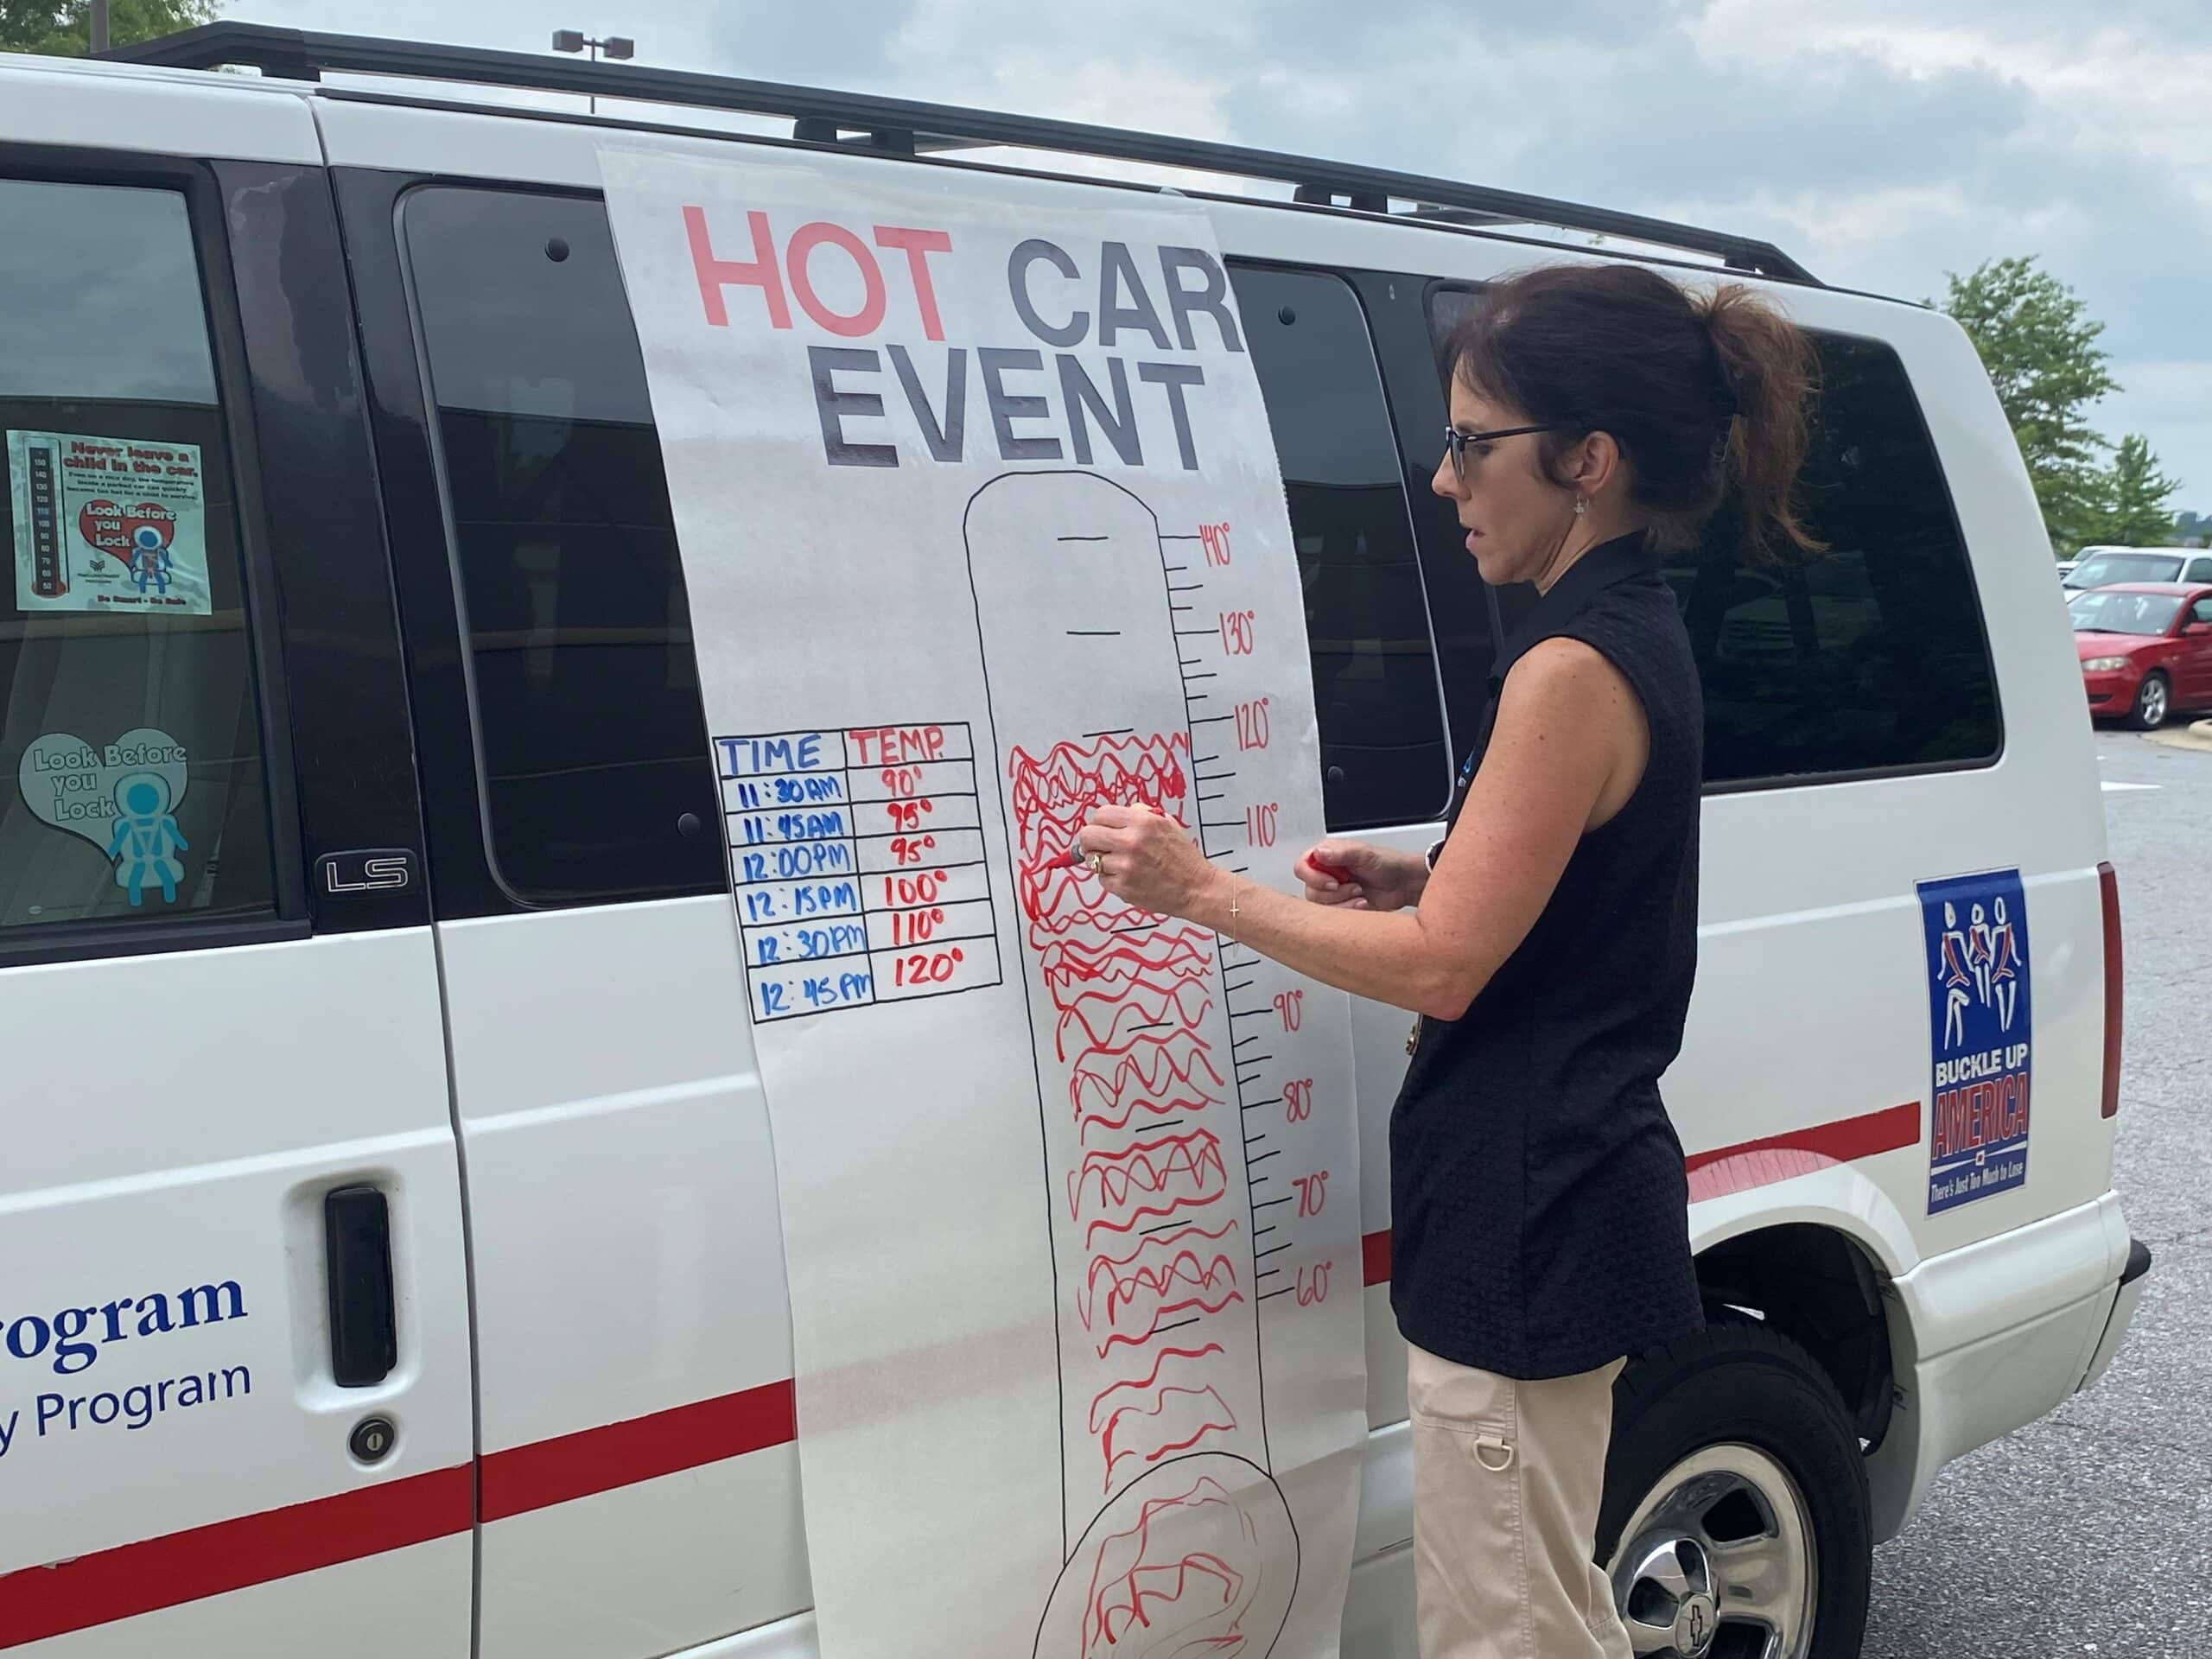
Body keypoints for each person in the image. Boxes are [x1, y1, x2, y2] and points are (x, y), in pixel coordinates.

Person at [1076, 261, 1822, 1657]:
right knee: (1545, 1604)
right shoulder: (1624, 631)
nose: (1442, 481)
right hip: (1561, 1194)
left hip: (1530, 1213)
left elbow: (1444, 971)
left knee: (1506, 1629)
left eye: (1474, 444)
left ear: (1586, 460)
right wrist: (1435, 873)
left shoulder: (1570, 669)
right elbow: (1560, 896)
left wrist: (1197, 891)